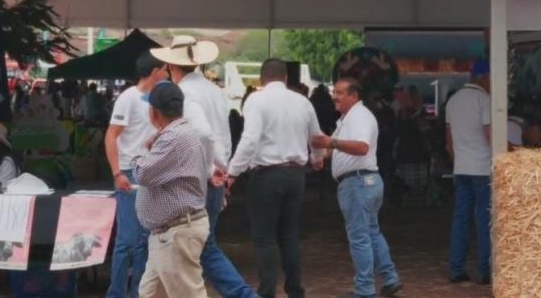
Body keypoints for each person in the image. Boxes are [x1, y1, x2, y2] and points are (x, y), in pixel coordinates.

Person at [151, 35, 255, 298]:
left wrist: (210, 168)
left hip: (199, 180)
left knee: (198, 247)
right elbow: (222, 135)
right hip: (213, 177)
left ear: (172, 66)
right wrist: (222, 167)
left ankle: (243, 295)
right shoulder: (213, 91)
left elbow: (204, 134)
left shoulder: (185, 93)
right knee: (198, 246)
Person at [226, 59, 325, 298]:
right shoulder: (302, 102)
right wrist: (318, 157)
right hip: (295, 174)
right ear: (286, 78)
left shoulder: (256, 101)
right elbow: (316, 136)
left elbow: (250, 140)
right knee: (289, 235)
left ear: (262, 79)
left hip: (267, 175)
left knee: (264, 237)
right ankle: (294, 289)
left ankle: (267, 291)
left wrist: (233, 172)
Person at [312, 78, 402, 298]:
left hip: (357, 183)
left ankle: (364, 289)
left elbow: (361, 147)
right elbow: (333, 146)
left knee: (359, 237)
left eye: (340, 92)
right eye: (335, 91)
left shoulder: (359, 117)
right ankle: (390, 279)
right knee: (371, 232)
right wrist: (318, 154)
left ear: (354, 95)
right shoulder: (349, 118)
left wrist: (330, 144)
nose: (335, 96)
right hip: (366, 182)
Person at [133, 82, 211, 298]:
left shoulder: (173, 137)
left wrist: (142, 150)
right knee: (149, 293)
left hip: (176, 231)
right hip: (169, 232)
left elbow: (142, 173)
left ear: (154, 112)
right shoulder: (179, 133)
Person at [105, 52, 168, 298]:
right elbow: (112, 135)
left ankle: (139, 293)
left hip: (149, 173)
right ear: (155, 72)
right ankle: (117, 293)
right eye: (164, 69)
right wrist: (117, 172)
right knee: (128, 240)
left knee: (144, 240)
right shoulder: (128, 98)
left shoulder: (156, 100)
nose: (166, 74)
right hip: (130, 174)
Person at [444, 60, 492, 285]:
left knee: (460, 219)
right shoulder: (484, 100)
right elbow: (490, 136)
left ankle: (456, 269)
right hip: (482, 168)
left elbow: (449, 143)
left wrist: (459, 162)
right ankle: (485, 271)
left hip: (461, 169)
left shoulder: (453, 101)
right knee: (484, 219)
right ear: (484, 77)